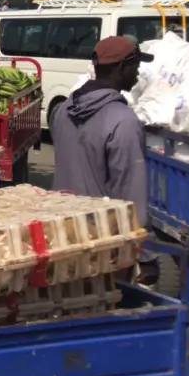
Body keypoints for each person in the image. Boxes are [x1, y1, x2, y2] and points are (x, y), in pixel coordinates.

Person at [51, 36, 157, 281]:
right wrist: (147, 254)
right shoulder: (123, 121)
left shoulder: (65, 109)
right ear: (121, 68)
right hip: (102, 244)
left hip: (61, 230)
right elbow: (132, 193)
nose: (138, 72)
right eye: (135, 66)